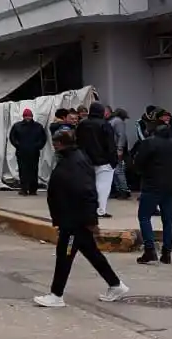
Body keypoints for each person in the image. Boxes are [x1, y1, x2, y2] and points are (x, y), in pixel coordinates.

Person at [34, 129, 128, 308]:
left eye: (55, 143)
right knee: (92, 253)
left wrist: (91, 220)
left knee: (64, 256)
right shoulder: (72, 159)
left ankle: (56, 295)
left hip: (74, 221)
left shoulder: (75, 162)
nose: (54, 147)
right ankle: (116, 284)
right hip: (71, 218)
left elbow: (87, 191)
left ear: (59, 144)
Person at [132, 122, 172, 264]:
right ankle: (167, 253)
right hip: (171, 185)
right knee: (168, 219)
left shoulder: (149, 143)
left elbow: (138, 162)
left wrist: (142, 172)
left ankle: (150, 250)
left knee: (144, 216)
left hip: (152, 185)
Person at [76, 101, 119, 219]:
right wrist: (113, 160)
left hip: (85, 160)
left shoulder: (82, 124)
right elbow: (110, 144)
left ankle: (87, 209)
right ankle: (100, 210)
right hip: (104, 161)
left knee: (88, 185)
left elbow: (78, 142)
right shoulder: (105, 124)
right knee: (103, 186)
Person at [9, 108, 47, 196]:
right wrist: (18, 145)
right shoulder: (17, 126)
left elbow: (43, 138)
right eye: (26, 116)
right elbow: (12, 137)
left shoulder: (38, 126)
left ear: (32, 116)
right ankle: (24, 189)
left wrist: (38, 146)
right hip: (21, 152)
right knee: (23, 171)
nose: (28, 118)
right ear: (23, 116)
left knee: (33, 170)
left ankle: (33, 189)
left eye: (29, 116)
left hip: (34, 152)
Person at [109, 107, 131, 200]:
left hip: (116, 149)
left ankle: (123, 190)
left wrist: (119, 149)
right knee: (117, 170)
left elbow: (121, 136)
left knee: (118, 170)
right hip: (116, 148)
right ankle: (121, 190)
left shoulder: (116, 121)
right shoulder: (117, 121)